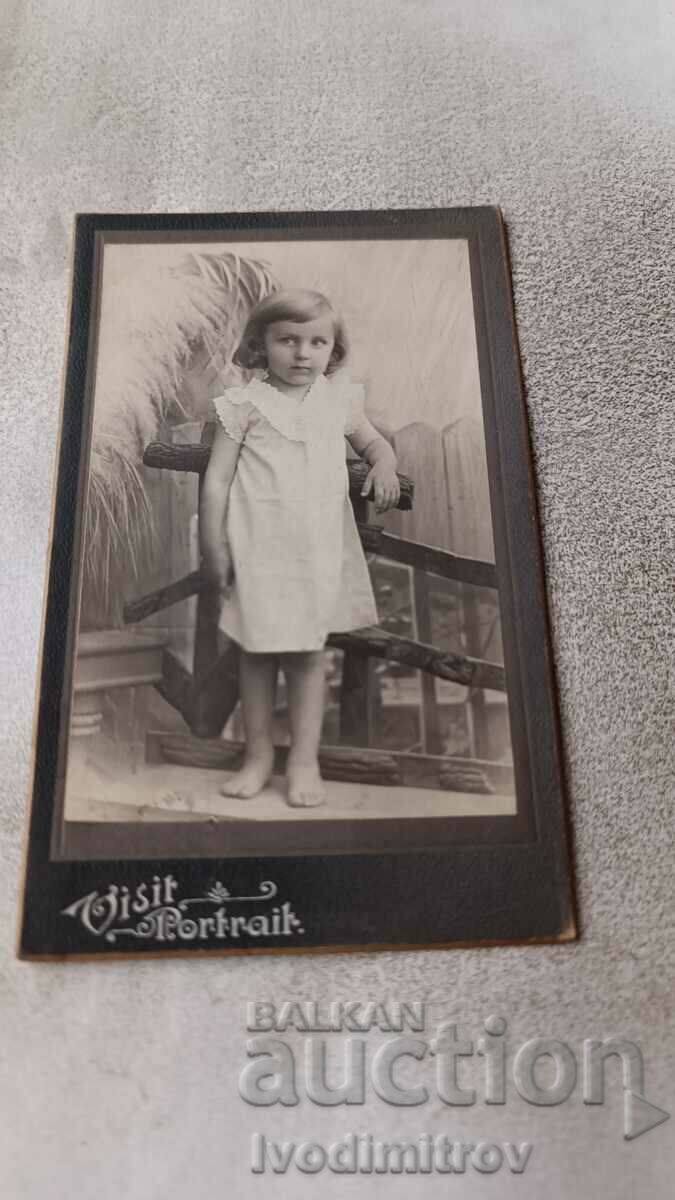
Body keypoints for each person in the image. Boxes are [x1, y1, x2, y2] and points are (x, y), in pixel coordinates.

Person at [199, 289, 400, 808]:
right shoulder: (243, 405)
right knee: (257, 654)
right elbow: (218, 481)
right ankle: (258, 755)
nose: (302, 353)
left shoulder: (339, 402)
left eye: (317, 342)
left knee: (309, 656)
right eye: (288, 340)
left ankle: (304, 759)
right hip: (257, 550)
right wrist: (213, 548)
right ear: (262, 345)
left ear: (333, 350)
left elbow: (374, 443)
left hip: (314, 553)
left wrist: (384, 464)